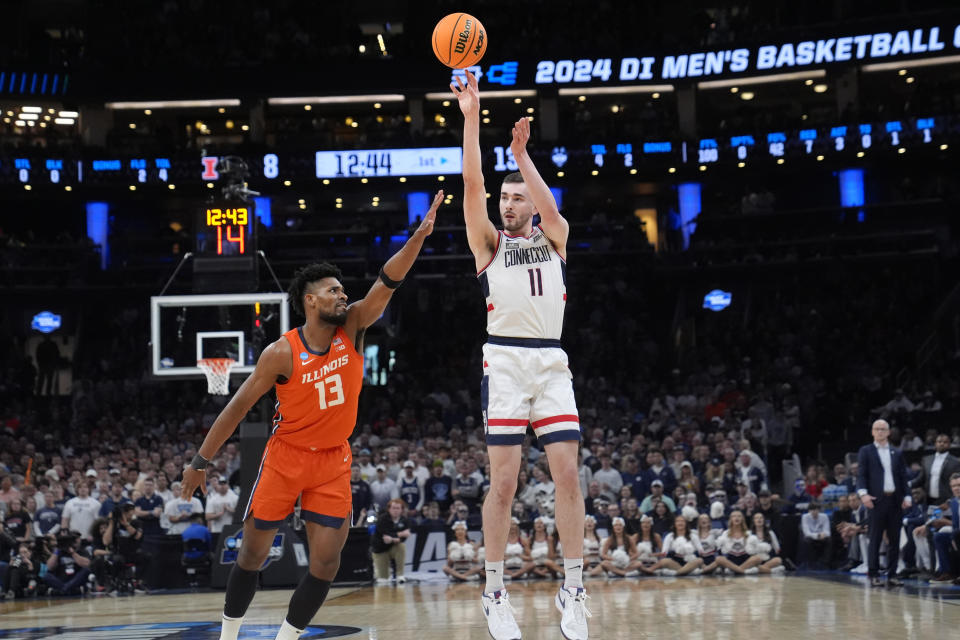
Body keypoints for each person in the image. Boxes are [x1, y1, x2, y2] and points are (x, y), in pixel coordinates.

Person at [180, 192, 444, 640]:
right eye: (332, 290)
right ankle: (229, 634)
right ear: (309, 300)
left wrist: (417, 239)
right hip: (286, 456)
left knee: (327, 562)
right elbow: (238, 406)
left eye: (342, 289)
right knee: (252, 555)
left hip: (333, 461)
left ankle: (287, 638)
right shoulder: (281, 352)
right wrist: (199, 462)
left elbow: (388, 281)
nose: (343, 294)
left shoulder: (355, 326)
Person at [452, 70, 588, 640]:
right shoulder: (487, 244)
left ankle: (574, 589)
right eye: (503, 198)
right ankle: (493, 590)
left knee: (568, 477)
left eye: (516, 197)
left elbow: (551, 208)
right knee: (503, 485)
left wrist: (522, 156)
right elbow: (473, 183)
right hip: (505, 362)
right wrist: (471, 118)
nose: (507, 203)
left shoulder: (554, 236)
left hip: (552, 363)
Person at [857, 419, 911, 587]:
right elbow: (861, 475)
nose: (880, 432)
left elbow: (903, 477)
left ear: (888, 432)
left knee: (894, 540)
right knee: (875, 538)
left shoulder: (897, 452)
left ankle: (892, 574)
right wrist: (863, 494)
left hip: (895, 500)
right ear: (872, 432)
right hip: (876, 501)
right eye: (877, 429)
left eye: (883, 429)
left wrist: (907, 496)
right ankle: (873, 574)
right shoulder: (865, 451)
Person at [910, 433, 960, 506]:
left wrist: (951, 500)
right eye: (939, 442)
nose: (942, 444)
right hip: (929, 499)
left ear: (949, 444)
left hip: (947, 500)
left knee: (945, 517)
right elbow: (921, 478)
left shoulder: (955, 462)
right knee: (929, 517)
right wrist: (907, 484)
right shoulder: (926, 459)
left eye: (945, 442)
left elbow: (958, 483)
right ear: (935, 444)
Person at [371, 498, 411, 585]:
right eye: (393, 508)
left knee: (401, 546)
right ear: (389, 509)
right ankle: (380, 573)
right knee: (383, 579)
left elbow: (404, 537)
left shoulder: (405, 520)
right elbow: (385, 535)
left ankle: (400, 575)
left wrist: (394, 538)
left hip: (393, 547)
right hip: (380, 549)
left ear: (401, 510)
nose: (395, 510)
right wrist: (400, 535)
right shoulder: (382, 519)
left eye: (398, 508)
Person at [799, 501, 832, 569]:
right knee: (807, 540)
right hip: (812, 537)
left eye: (816, 509)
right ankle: (810, 563)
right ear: (809, 510)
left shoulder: (824, 516)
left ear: (819, 510)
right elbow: (806, 532)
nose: (814, 512)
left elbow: (827, 531)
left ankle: (825, 562)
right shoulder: (805, 517)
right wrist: (817, 536)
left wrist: (823, 535)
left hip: (822, 536)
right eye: (812, 510)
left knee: (829, 540)